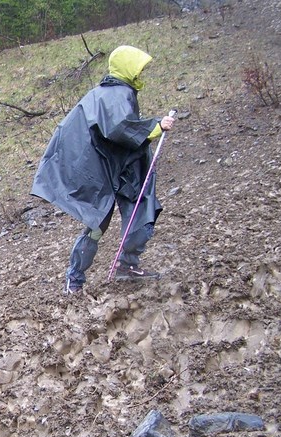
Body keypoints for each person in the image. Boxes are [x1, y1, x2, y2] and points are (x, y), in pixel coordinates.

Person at [31, 45, 176, 294]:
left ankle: (116, 270)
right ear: (128, 68)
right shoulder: (115, 94)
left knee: (131, 215)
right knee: (103, 223)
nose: (142, 74)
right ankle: (78, 277)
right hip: (106, 171)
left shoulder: (111, 92)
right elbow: (119, 128)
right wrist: (156, 126)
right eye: (139, 69)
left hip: (118, 169)